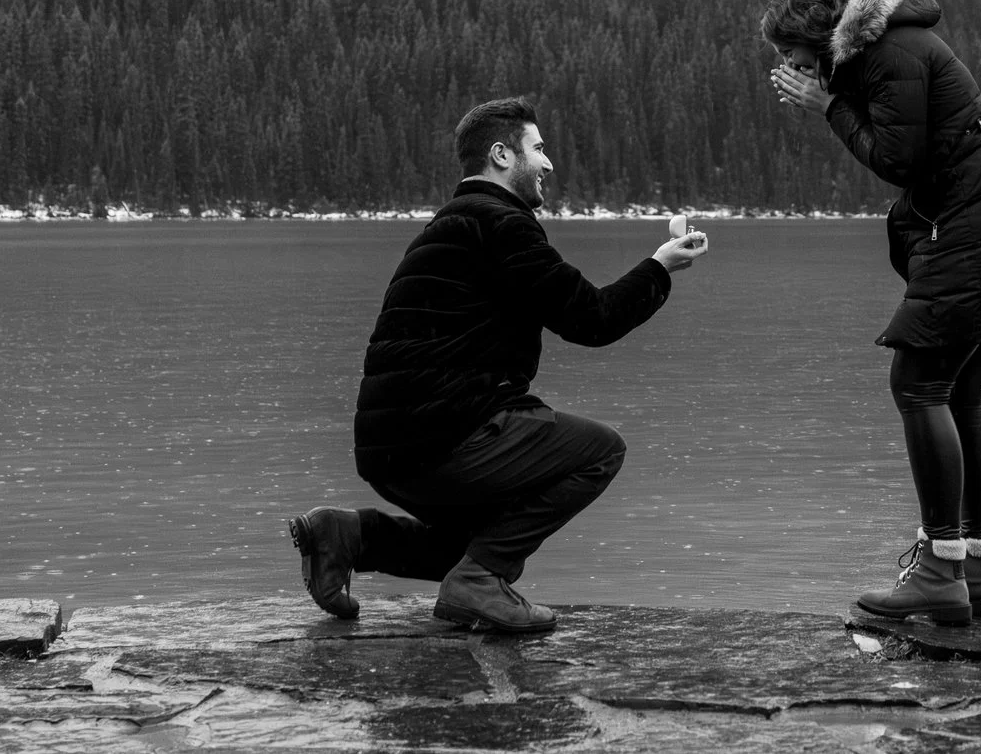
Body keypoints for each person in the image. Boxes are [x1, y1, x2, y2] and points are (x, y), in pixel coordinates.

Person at [287, 96, 708, 635]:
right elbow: (593, 319)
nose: (549, 162)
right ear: (501, 155)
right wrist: (659, 266)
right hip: (445, 436)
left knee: (473, 545)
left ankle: (346, 536)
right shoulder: (503, 225)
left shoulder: (447, 226)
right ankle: (480, 582)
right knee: (601, 451)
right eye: (538, 148)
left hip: (387, 450)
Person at [763, 0, 981, 626]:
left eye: (791, 52)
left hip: (972, 231)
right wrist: (835, 97)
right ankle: (979, 572)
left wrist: (828, 107)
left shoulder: (888, 55)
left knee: (918, 384)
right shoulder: (887, 47)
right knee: (964, 393)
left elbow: (899, 159)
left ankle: (939, 571)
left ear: (819, 38)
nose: (789, 66)